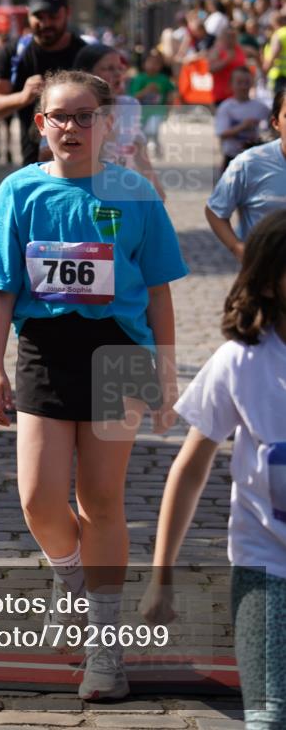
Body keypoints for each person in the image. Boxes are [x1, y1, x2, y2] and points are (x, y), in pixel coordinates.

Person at [0, 69, 187, 700]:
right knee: (38, 497)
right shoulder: (18, 191)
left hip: (118, 352)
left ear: (107, 122)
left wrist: (167, 373)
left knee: (100, 499)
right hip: (44, 349)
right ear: (40, 123)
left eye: (84, 115)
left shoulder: (137, 194)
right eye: (59, 116)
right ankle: (69, 574)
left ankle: (104, 646)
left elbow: (159, 292)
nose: (71, 127)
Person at [140, 210, 286, 730]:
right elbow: (190, 466)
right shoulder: (241, 362)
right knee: (269, 716)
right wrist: (162, 575)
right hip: (265, 567)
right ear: (270, 279)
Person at [0, 0, 86, 165]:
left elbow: (110, 107)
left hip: (82, 163)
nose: (45, 24)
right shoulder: (14, 53)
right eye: (38, 17)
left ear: (67, 13)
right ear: (28, 14)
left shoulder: (85, 54)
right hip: (34, 164)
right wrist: (23, 97)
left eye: (53, 17)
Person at [75, 43, 165, 201]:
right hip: (84, 193)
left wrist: (155, 189)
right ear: (85, 74)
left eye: (120, 68)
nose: (117, 74)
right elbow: (47, 155)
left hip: (122, 192)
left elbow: (138, 148)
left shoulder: (129, 105)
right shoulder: (72, 109)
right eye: (109, 69)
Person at [205, 88, 286, 261]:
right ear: (276, 123)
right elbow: (215, 210)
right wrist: (237, 248)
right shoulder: (250, 163)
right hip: (264, 275)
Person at [214, 67, 270, 172]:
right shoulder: (226, 107)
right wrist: (243, 126)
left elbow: (276, 124)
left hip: (254, 158)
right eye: (239, 83)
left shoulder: (260, 107)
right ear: (231, 85)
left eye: (247, 82)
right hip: (232, 156)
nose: (244, 86)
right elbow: (221, 133)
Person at [128, 48, 176, 158]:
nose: (153, 66)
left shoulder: (163, 79)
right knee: (143, 132)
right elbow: (134, 97)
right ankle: (149, 148)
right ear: (144, 64)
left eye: (157, 63)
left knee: (152, 129)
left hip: (157, 111)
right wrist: (146, 91)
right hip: (142, 111)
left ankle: (150, 148)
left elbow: (170, 93)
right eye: (150, 62)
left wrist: (169, 107)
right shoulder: (139, 79)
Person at [207, 28, 247, 107]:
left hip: (239, 94)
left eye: (233, 36)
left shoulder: (240, 50)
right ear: (223, 38)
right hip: (222, 95)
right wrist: (225, 61)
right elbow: (211, 69)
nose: (231, 39)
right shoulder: (216, 50)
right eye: (228, 36)